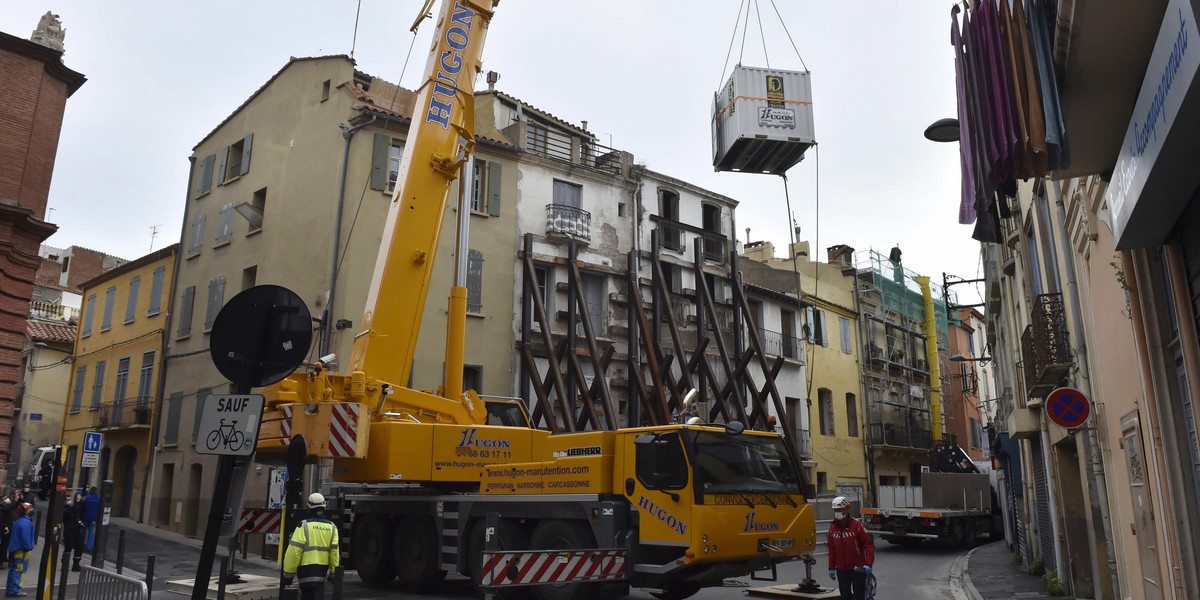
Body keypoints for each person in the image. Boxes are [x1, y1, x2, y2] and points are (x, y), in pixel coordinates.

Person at [282, 493, 340, 600]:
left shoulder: (303, 526)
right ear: (323, 507)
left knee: (307, 596)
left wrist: (288, 575)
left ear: (309, 508)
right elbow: (334, 553)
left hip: (306, 572)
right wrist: (333, 573)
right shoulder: (332, 527)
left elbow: (294, 552)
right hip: (322, 572)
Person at [827, 496, 874, 600]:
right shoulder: (833, 528)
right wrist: (831, 567)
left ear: (846, 508)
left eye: (839, 510)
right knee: (845, 595)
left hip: (857, 568)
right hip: (841, 569)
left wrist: (868, 564)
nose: (837, 512)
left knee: (859, 595)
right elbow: (831, 549)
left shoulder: (857, 525)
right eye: (835, 510)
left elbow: (868, 545)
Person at [6, 503, 34, 597]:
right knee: (19, 570)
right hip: (22, 551)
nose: (32, 509)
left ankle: (10, 589)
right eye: (30, 508)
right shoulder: (26, 523)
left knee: (13, 570)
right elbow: (25, 538)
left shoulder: (19, 521)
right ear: (26, 511)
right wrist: (29, 547)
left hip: (16, 550)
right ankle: (14, 590)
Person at [61, 492, 85, 572]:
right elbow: (70, 512)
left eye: (70, 499)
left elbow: (81, 510)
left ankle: (76, 564)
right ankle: (64, 565)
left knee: (79, 547)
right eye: (67, 500)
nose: (69, 501)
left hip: (77, 529)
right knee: (68, 548)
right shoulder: (64, 509)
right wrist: (77, 502)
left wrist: (82, 501)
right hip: (69, 531)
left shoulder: (73, 507)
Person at [82, 487, 99, 551]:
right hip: (94, 518)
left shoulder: (86, 498)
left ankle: (81, 544)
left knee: (83, 531)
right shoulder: (99, 498)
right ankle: (89, 546)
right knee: (91, 532)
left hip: (85, 517)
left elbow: (82, 506)